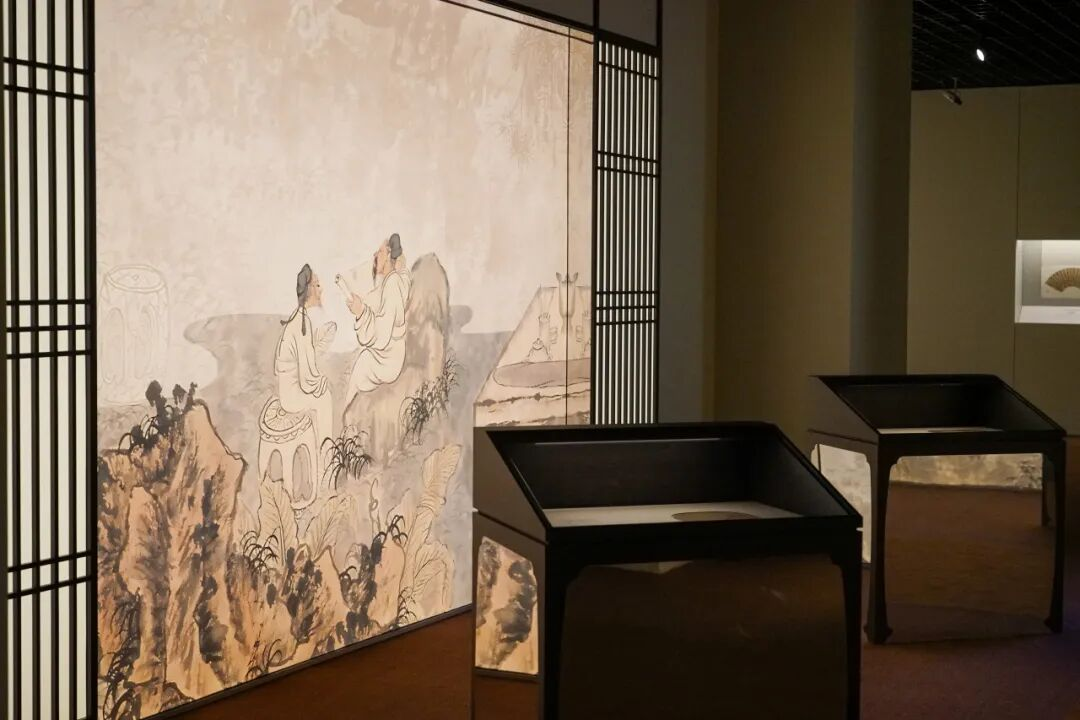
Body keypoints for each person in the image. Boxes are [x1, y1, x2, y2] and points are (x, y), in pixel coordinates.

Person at [275, 264, 336, 474]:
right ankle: (326, 462)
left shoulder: (300, 318)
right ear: (309, 289)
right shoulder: (300, 325)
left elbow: (306, 355)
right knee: (324, 398)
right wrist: (320, 382)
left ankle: (325, 457)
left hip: (291, 388)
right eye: (317, 285)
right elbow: (307, 377)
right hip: (291, 395)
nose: (321, 289)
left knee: (323, 394)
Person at [343, 233, 412, 407]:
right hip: (391, 353)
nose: (375, 255)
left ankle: (345, 417)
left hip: (388, 360)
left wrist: (361, 313)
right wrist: (362, 306)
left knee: (361, 366)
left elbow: (381, 337)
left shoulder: (392, 284)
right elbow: (402, 277)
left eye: (379, 252)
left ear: (388, 255)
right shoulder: (396, 279)